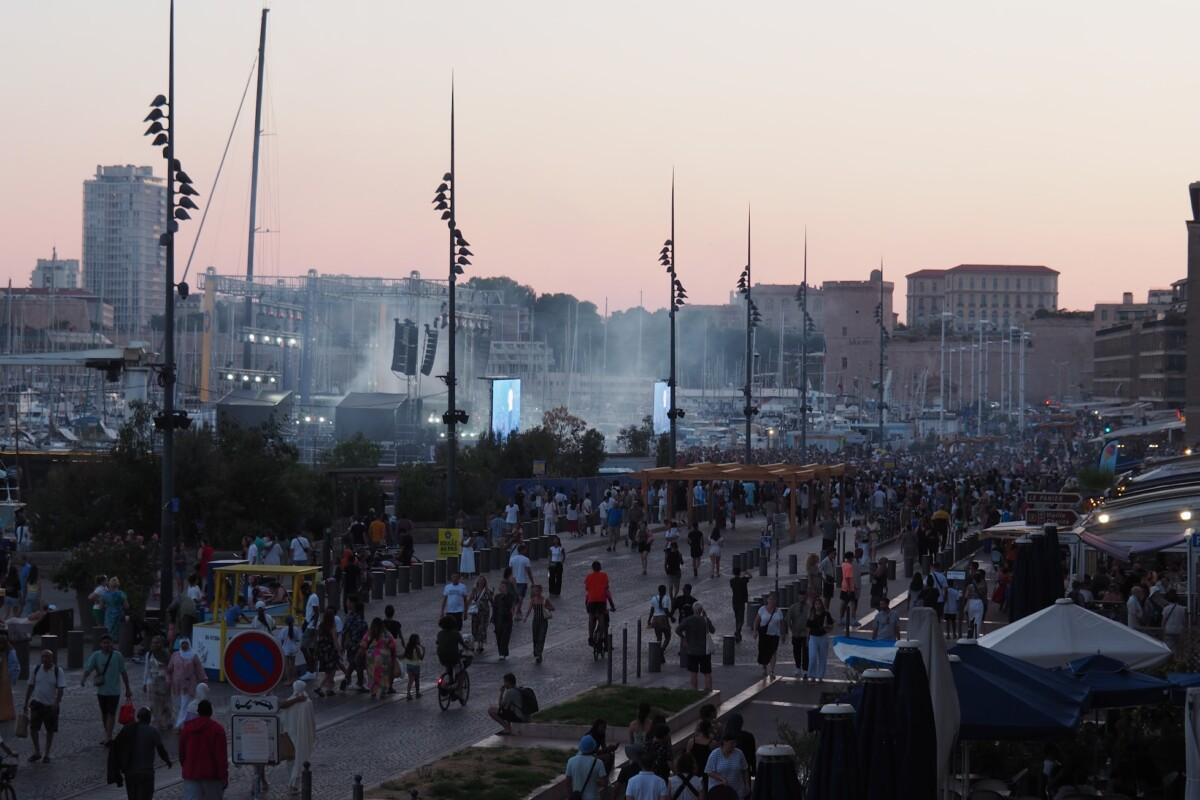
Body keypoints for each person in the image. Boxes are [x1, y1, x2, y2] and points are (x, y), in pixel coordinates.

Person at [107, 706, 171, 800]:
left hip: (130, 772)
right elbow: (161, 750)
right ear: (149, 718)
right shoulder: (153, 731)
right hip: (146, 772)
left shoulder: (127, 729)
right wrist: (167, 760)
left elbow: (117, 747)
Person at [82, 632, 132, 746]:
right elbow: (89, 668)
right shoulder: (96, 655)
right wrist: (83, 679)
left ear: (112, 643)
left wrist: (128, 688)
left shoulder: (117, 655)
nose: (106, 645)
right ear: (100, 644)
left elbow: (123, 672)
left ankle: (109, 737)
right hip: (101, 690)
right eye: (104, 643)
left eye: (108, 642)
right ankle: (107, 733)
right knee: (104, 713)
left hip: (114, 691)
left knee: (111, 713)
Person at [179, 699, 228, 799]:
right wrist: (224, 776)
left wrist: (186, 767)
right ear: (211, 712)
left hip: (191, 773)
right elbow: (221, 757)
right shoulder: (217, 729)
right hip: (212, 776)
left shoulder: (187, 729)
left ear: (198, 712)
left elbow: (182, 753)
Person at [24, 648, 65, 764]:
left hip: (50, 706)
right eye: (43, 657)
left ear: (52, 658)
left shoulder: (58, 671)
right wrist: (25, 702)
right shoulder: (36, 669)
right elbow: (30, 686)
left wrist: (57, 703)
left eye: (47, 657)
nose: (45, 659)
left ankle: (46, 753)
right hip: (37, 704)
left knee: (50, 730)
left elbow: (61, 689)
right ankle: (37, 752)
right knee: (33, 729)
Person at [277, 680, 316, 794]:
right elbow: (311, 722)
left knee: (292, 760)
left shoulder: (289, 701)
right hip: (302, 736)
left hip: (290, 735)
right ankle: (293, 785)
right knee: (300, 759)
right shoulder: (307, 702)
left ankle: (292, 783)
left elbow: (282, 712)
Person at [676, 600, 716, 691]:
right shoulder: (705, 620)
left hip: (692, 650)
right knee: (707, 672)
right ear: (702, 610)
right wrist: (706, 617)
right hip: (704, 651)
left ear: (693, 610)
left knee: (693, 672)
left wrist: (684, 638)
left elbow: (677, 630)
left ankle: (694, 691)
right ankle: (708, 690)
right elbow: (713, 630)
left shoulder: (688, 620)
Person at [360, 617, 397, 700]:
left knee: (372, 674)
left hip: (371, 657)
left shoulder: (369, 633)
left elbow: (363, 644)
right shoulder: (386, 633)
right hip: (384, 657)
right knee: (383, 674)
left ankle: (373, 691)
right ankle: (382, 690)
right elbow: (393, 645)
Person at [704, 733, 750, 799]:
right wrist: (721, 778)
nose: (734, 745)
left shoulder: (739, 753)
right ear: (724, 742)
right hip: (719, 791)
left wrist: (747, 784)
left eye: (735, 743)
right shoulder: (714, 754)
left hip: (737, 790)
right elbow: (709, 771)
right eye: (732, 743)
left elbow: (745, 769)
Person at [141, 635, 172, 733]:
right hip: (152, 681)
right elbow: (147, 669)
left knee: (165, 703)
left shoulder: (166, 654)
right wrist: (145, 683)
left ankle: (165, 723)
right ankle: (155, 723)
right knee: (153, 704)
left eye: (157, 642)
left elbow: (170, 669)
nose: (155, 644)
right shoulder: (149, 654)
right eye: (153, 642)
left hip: (164, 681)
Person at [565, 734, 608, 800]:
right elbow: (605, 783)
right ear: (593, 747)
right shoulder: (598, 763)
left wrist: (569, 797)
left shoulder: (571, 761)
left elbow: (568, 782)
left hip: (577, 797)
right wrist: (596, 781)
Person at [752, 592, 784, 679]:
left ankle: (772, 671)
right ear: (767, 600)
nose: (772, 601)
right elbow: (756, 621)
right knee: (763, 652)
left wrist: (783, 634)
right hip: (764, 634)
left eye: (773, 599)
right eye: (770, 599)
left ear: (776, 601)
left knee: (773, 652)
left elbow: (782, 624)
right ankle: (764, 667)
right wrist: (755, 631)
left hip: (775, 635)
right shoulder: (762, 609)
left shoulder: (779, 611)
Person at [523, 583, 555, 664]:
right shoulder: (533, 600)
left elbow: (553, 608)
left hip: (543, 621)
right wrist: (526, 617)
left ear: (540, 591)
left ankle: (539, 653)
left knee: (541, 638)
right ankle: (536, 652)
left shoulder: (545, 600)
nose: (536, 592)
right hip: (535, 621)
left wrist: (547, 607)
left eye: (537, 591)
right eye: (535, 591)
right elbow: (529, 609)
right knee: (535, 638)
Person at [314, 608, 342, 697]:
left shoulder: (321, 626)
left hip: (322, 652)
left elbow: (318, 639)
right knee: (331, 671)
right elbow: (335, 641)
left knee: (327, 671)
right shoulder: (332, 627)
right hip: (330, 652)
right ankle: (320, 687)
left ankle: (329, 689)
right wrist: (339, 650)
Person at [585, 561, 613, 648]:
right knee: (601, 620)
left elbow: (587, 589)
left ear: (592, 568)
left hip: (591, 600)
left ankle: (590, 638)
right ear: (600, 568)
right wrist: (613, 607)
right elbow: (606, 588)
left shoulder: (589, 577)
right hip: (601, 601)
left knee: (591, 619)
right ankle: (601, 638)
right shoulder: (604, 575)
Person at [806, 598, 834, 682]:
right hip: (813, 637)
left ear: (821, 605)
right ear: (814, 606)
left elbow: (831, 626)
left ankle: (821, 676)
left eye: (819, 604)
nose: (817, 606)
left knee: (823, 657)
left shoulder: (826, 614)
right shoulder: (811, 614)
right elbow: (808, 627)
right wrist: (807, 638)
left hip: (823, 637)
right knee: (812, 657)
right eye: (816, 604)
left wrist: (827, 629)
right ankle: (812, 675)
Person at [786, 593, 810, 678]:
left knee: (806, 652)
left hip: (806, 633)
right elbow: (788, 619)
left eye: (804, 597)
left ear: (806, 597)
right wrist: (791, 630)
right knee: (796, 651)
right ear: (798, 597)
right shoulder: (793, 607)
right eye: (800, 597)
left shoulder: (809, 608)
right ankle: (797, 667)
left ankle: (805, 669)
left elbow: (811, 619)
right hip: (796, 633)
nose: (802, 599)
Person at [493, 577, 516, 661]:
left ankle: (503, 653)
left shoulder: (510, 597)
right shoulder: (497, 597)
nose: (501, 588)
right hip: (498, 619)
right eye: (501, 586)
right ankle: (501, 652)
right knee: (499, 636)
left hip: (507, 619)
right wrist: (493, 618)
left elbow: (511, 605)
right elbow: (494, 607)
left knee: (505, 637)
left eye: (503, 586)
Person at [468, 577, 492, 655]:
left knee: (482, 628)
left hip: (484, 613)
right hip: (475, 612)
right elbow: (470, 598)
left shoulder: (487, 591)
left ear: (485, 582)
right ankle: (475, 643)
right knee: (474, 628)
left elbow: (491, 600)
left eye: (482, 581)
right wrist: (466, 608)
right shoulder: (474, 590)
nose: (481, 582)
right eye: (480, 581)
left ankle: (480, 645)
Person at [277, 616, 302, 685]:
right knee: (293, 664)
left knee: (287, 665)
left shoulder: (283, 630)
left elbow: (281, 639)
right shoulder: (296, 629)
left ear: (286, 622)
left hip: (286, 649)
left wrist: (282, 646)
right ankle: (294, 680)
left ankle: (289, 680)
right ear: (293, 621)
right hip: (294, 648)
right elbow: (298, 639)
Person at [509, 545, 534, 614]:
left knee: (514, 596)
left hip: (513, 580)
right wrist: (532, 582)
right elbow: (529, 572)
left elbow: (510, 571)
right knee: (521, 597)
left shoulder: (512, 559)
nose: (526, 551)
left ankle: (513, 608)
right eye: (526, 550)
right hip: (522, 581)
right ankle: (517, 610)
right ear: (523, 550)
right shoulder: (526, 559)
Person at [648, 585, 673, 651]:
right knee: (668, 636)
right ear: (665, 591)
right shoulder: (666, 598)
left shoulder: (654, 598)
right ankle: (662, 649)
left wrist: (649, 620)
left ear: (658, 590)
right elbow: (666, 610)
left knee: (659, 637)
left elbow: (652, 610)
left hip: (655, 619)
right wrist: (671, 617)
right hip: (663, 619)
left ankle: (658, 650)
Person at [729, 567, 750, 643]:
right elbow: (750, 576)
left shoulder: (731, 581)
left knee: (737, 618)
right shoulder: (743, 580)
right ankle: (737, 632)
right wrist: (746, 573)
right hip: (741, 601)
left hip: (734, 601)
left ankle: (738, 633)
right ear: (739, 572)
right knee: (741, 619)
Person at [104, 577, 129, 641]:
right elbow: (126, 606)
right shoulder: (121, 594)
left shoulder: (105, 594)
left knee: (109, 629)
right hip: (119, 613)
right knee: (118, 629)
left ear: (109, 584)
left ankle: (110, 641)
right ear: (118, 584)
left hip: (109, 613)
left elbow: (101, 606)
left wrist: (108, 606)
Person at [401, 633, 425, 700]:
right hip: (416, 666)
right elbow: (421, 658)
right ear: (416, 641)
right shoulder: (417, 648)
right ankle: (417, 693)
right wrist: (424, 650)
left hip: (409, 666)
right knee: (417, 680)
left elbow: (404, 655)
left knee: (410, 680)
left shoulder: (408, 647)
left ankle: (408, 693)